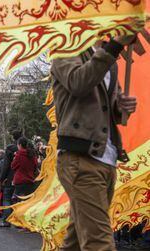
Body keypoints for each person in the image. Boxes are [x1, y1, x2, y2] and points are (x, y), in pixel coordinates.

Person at [51, 35, 137, 250]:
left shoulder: (107, 58)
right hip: (81, 159)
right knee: (99, 242)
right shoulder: (66, 49)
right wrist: (114, 47)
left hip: (106, 158)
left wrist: (121, 106)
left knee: (77, 241)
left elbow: (107, 110)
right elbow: (78, 83)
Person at [0, 130, 22, 227]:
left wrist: (1, 179)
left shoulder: (10, 148)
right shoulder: (29, 147)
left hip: (11, 177)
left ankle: (6, 221)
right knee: (20, 199)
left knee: (7, 198)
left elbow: (6, 165)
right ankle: (20, 222)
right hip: (26, 178)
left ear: (12, 137)